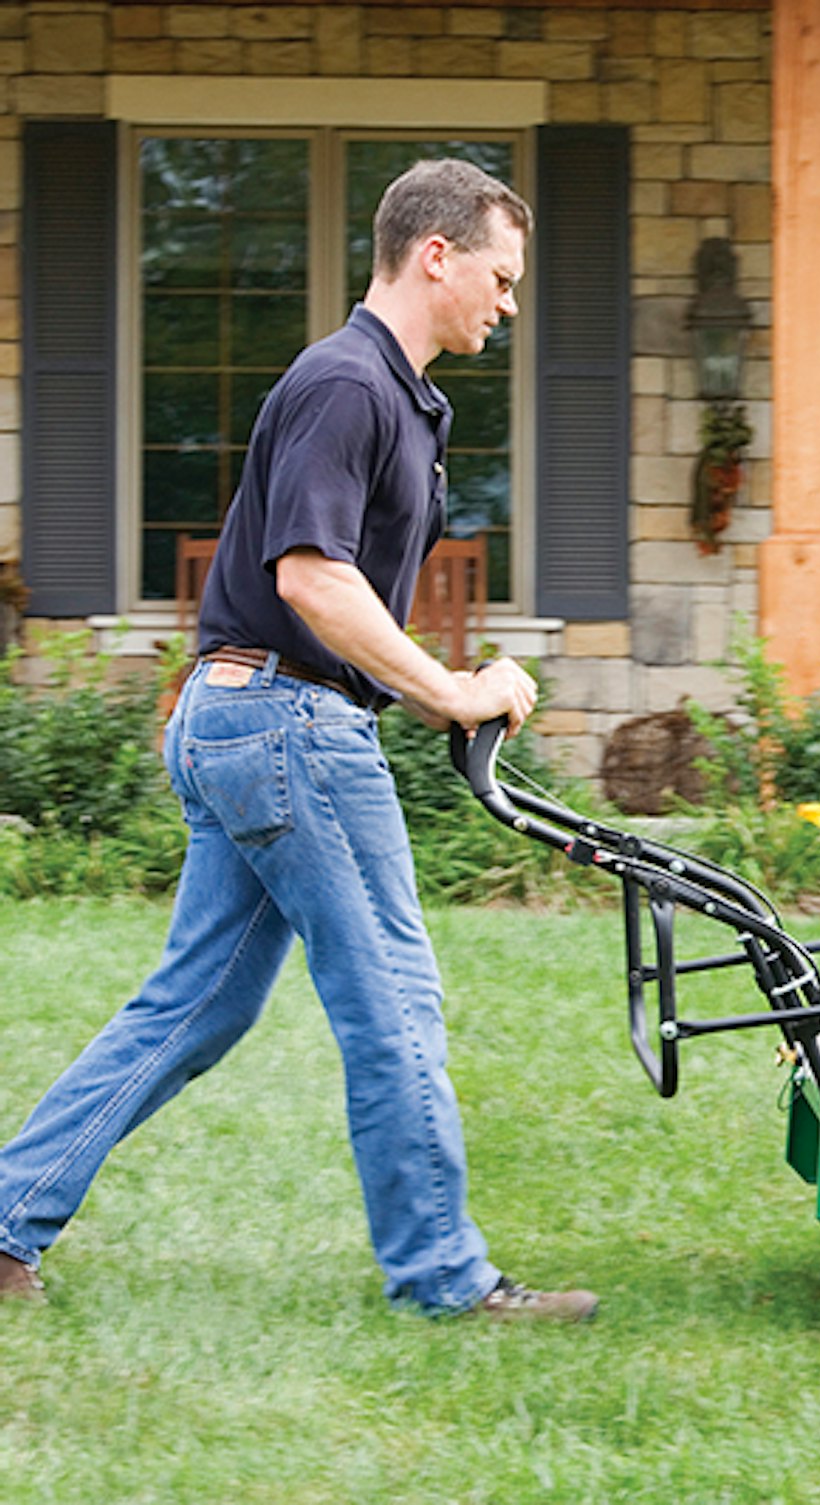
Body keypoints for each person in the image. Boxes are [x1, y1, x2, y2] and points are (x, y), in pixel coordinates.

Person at [0, 159, 597, 1323]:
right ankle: (445, 1279)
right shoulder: (346, 384)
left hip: (244, 714)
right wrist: (445, 690)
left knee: (197, 1004)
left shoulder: (394, 394)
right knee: (395, 999)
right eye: (501, 275)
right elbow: (311, 577)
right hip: (286, 720)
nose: (508, 303)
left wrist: (434, 685)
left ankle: (3, 1216)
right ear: (437, 255)